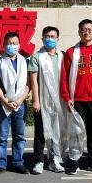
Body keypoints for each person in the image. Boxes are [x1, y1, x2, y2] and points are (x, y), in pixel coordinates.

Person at [60, 19, 92, 175]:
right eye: (83, 29)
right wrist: (66, 97)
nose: (87, 32)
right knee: (75, 132)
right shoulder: (71, 52)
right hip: (76, 99)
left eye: (90, 29)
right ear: (79, 32)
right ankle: (74, 161)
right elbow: (64, 77)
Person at [0, 31, 30, 177]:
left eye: (14, 43)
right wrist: (5, 101)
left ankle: (18, 163)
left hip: (20, 104)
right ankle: (0, 165)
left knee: (19, 136)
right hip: (3, 105)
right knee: (1, 136)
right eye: (9, 43)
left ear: (19, 45)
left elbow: (29, 84)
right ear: (4, 45)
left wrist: (20, 100)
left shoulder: (26, 62)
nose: (12, 46)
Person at [28, 26, 65, 174]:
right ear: (42, 38)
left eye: (53, 36)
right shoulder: (37, 57)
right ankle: (39, 161)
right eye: (47, 36)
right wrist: (35, 100)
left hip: (59, 101)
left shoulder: (62, 56)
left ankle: (54, 160)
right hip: (43, 100)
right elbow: (34, 80)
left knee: (57, 131)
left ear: (58, 38)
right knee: (41, 132)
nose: (50, 39)